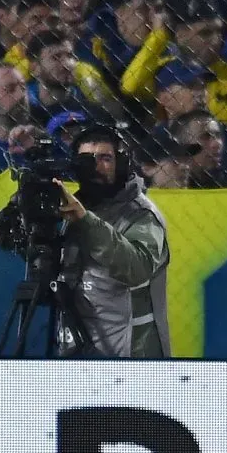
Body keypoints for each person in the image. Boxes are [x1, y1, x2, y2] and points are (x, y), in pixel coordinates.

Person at [53, 126, 171, 357]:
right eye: (87, 159)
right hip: (78, 345)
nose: (96, 166)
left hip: (130, 355)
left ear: (123, 164)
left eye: (105, 158)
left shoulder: (142, 214)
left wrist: (85, 220)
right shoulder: (73, 207)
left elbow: (136, 269)